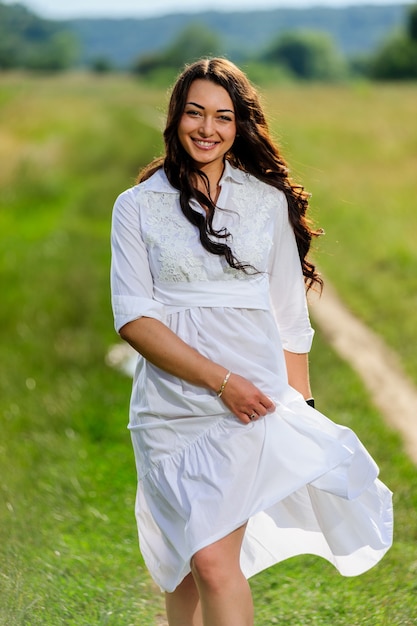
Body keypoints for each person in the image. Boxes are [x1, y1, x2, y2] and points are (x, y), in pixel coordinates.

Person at [110, 57, 393, 626]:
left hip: (250, 407)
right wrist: (220, 382)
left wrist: (300, 409)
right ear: (175, 117)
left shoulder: (266, 203)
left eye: (223, 117)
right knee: (184, 563)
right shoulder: (136, 206)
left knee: (214, 561)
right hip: (169, 409)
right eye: (195, 113)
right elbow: (135, 320)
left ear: (240, 127)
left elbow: (290, 320)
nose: (207, 129)